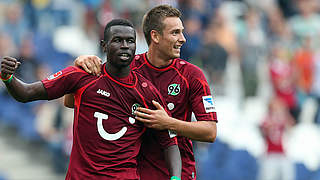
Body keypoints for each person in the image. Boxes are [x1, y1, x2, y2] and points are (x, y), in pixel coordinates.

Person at [0, 18, 181, 180]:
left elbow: (169, 142)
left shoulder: (147, 92)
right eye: (118, 40)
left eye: (130, 41)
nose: (125, 45)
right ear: (103, 45)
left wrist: (175, 178)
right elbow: (26, 93)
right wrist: (8, 77)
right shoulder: (81, 76)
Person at [67, 5, 217, 180]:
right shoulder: (128, 68)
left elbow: (210, 131)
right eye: (175, 32)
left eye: (182, 32)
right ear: (155, 36)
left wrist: (168, 122)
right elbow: (71, 102)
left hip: (177, 173)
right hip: (136, 171)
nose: (183, 39)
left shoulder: (192, 75)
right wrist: (79, 67)